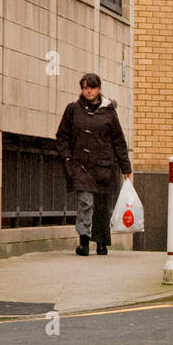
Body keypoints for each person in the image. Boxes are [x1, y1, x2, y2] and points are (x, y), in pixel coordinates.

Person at [55, 73, 133, 256]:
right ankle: (83, 239)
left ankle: (101, 242)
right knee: (85, 202)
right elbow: (62, 136)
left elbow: (118, 141)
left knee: (102, 204)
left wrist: (125, 167)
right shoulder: (73, 109)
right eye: (85, 87)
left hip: (104, 165)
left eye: (92, 87)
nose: (88, 91)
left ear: (99, 89)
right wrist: (67, 157)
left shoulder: (109, 112)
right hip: (80, 165)